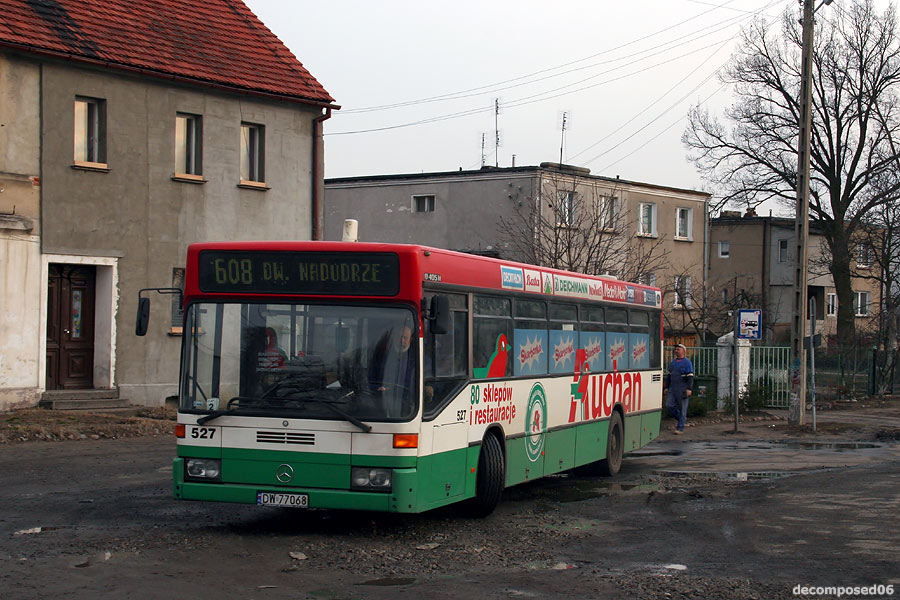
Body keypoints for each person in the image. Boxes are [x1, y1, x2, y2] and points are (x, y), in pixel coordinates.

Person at [370, 324, 415, 417]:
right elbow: (370, 379)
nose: (401, 341)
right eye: (399, 337)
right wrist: (377, 388)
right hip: (381, 404)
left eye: (405, 338)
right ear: (393, 338)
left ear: (411, 339)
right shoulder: (381, 358)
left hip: (409, 408)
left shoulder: (417, 359)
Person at [663, 343, 694, 434]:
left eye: (678, 349)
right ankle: (681, 419)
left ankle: (680, 428)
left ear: (683, 351)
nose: (676, 351)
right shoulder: (673, 362)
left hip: (683, 387)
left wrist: (689, 389)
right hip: (673, 387)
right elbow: (669, 375)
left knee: (683, 408)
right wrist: (667, 387)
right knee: (669, 405)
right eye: (675, 349)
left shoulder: (687, 362)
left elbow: (690, 376)